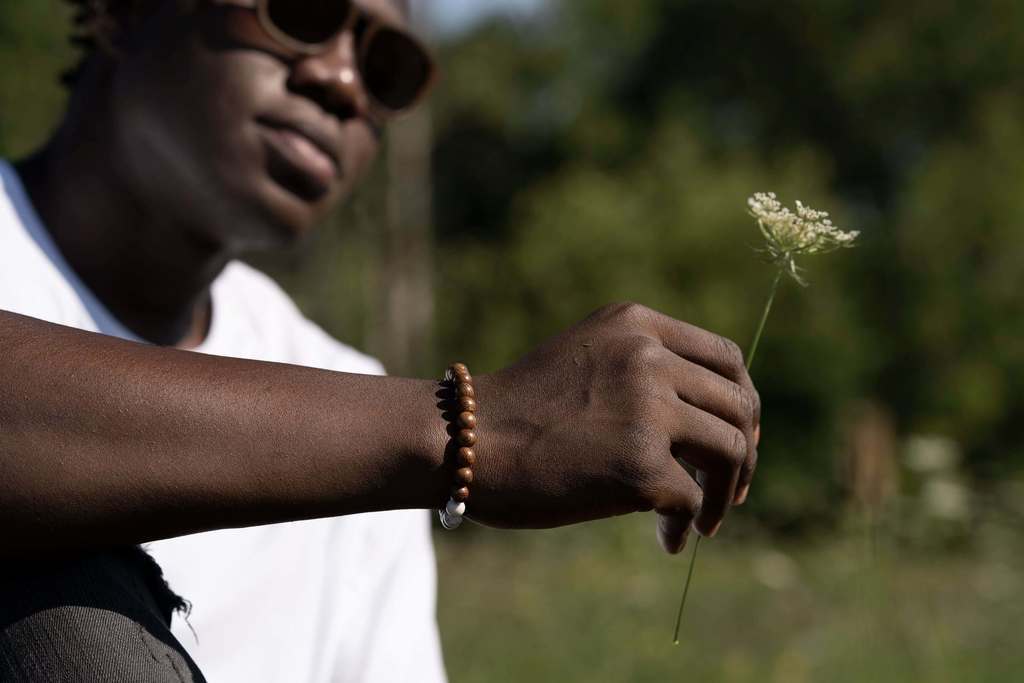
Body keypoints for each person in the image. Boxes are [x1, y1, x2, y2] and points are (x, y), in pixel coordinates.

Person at [0, 0, 761, 681]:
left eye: (386, 68)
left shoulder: (347, 390)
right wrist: (475, 429)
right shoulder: (395, 436)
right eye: (298, 14)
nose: (341, 81)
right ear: (123, 12)